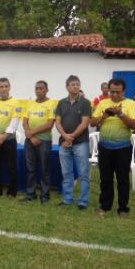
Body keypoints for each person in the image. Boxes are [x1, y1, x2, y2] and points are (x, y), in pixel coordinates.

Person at [91, 78, 135, 216]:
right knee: (105, 178)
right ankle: (105, 206)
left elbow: (134, 125)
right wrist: (104, 116)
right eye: (111, 91)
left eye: (117, 92)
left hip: (123, 147)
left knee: (122, 178)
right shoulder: (102, 103)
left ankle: (123, 208)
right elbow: (92, 122)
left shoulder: (131, 104)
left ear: (123, 91)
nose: (114, 95)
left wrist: (120, 114)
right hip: (104, 147)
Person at [55, 75, 92, 209]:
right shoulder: (61, 103)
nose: (75, 86)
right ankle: (68, 199)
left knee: (83, 173)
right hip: (64, 143)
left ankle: (83, 201)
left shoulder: (86, 102)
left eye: (77, 84)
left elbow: (84, 123)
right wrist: (65, 136)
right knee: (66, 173)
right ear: (67, 87)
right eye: (72, 84)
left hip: (81, 143)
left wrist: (71, 137)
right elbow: (57, 123)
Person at [20, 80, 57, 204]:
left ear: (46, 90)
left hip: (44, 141)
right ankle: (31, 194)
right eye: (36, 88)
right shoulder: (30, 104)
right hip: (30, 140)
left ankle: (45, 195)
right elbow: (24, 121)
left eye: (41, 88)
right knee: (30, 168)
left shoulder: (52, 103)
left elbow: (50, 124)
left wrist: (32, 133)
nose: (38, 91)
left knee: (44, 168)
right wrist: (30, 136)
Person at [0, 77, 21, 198]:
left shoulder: (15, 102)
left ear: (9, 87)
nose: (4, 88)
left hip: (9, 140)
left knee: (11, 167)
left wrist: (2, 138)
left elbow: (14, 122)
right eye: (1, 86)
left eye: (6, 86)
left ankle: (12, 192)